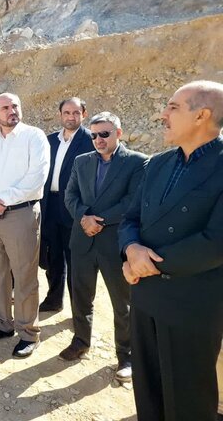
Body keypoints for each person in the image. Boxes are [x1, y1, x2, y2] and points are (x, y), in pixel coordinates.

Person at [119, 81, 223, 421]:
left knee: (188, 400)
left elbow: (215, 242)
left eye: (173, 107)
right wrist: (131, 249)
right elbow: (131, 217)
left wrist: (145, 265)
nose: (162, 114)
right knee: (147, 389)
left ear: (202, 115)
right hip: (145, 297)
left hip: (191, 305)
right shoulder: (158, 163)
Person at [61, 112, 148, 383]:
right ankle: (80, 341)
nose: (98, 139)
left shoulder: (136, 162)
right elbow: (70, 195)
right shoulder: (81, 161)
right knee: (81, 297)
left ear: (118, 133)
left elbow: (134, 201)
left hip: (114, 244)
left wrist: (99, 220)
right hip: (83, 240)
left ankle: (126, 356)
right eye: (94, 134)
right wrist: (84, 217)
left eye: (105, 134)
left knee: (122, 303)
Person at [0, 93, 49, 358]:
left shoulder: (34, 137)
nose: (12, 110)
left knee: (24, 276)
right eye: (5, 107)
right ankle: (3, 323)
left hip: (20, 215)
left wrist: (1, 201)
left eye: (15, 105)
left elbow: (36, 177)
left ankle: (28, 333)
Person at [39, 98, 94, 312]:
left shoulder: (91, 140)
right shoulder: (49, 140)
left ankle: (79, 310)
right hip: (49, 206)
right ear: (60, 114)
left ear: (83, 114)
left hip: (74, 208)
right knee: (53, 256)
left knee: (75, 262)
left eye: (76, 113)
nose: (71, 117)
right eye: (67, 112)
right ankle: (54, 299)